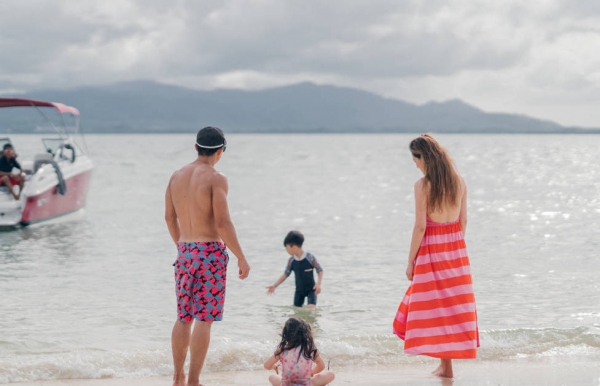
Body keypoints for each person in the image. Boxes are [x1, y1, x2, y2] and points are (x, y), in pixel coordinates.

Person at [165, 126, 251, 386]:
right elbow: (223, 223)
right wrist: (241, 257)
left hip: (185, 251)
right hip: (210, 253)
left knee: (183, 317)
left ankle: (177, 378)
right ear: (221, 151)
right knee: (204, 318)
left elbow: (169, 218)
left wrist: (183, 247)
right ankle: (193, 381)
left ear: (196, 147)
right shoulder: (216, 178)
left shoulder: (176, 176)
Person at [392, 134, 479, 379]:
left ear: (424, 157)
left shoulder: (422, 186)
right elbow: (463, 221)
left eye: (416, 160)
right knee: (450, 309)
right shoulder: (459, 182)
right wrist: (453, 245)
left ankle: (446, 368)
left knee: (432, 308)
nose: (416, 165)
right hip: (456, 252)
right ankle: (446, 367)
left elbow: (420, 226)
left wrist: (411, 260)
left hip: (431, 252)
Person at [264, 317, 335, 386]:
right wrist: (311, 373)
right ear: (306, 333)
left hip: (286, 384)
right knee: (331, 374)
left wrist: (274, 366)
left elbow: (267, 366)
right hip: (307, 384)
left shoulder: (282, 350)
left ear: (286, 334)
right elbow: (321, 366)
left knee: (272, 377)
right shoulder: (309, 348)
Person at [266, 231, 324, 309]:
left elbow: (319, 270)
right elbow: (285, 274)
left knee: (311, 309)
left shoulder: (309, 257)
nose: (286, 250)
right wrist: (275, 285)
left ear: (294, 247)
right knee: (296, 312)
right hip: (299, 291)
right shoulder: (291, 260)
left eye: (287, 248)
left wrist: (318, 284)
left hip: (311, 289)